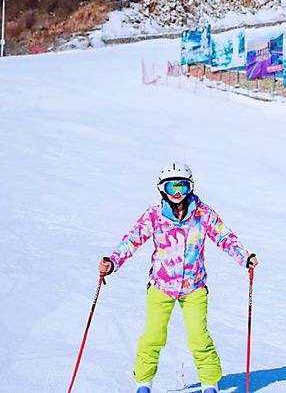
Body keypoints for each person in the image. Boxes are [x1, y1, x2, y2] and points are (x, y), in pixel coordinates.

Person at [99, 162, 258, 393]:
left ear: (190, 187)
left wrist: (245, 257)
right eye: (171, 186)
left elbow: (224, 237)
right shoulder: (154, 216)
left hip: (194, 287)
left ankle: (209, 383)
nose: (176, 193)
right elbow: (132, 240)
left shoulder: (203, 214)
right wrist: (112, 262)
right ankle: (143, 382)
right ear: (161, 188)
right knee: (153, 336)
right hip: (160, 286)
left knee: (198, 338)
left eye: (182, 186)